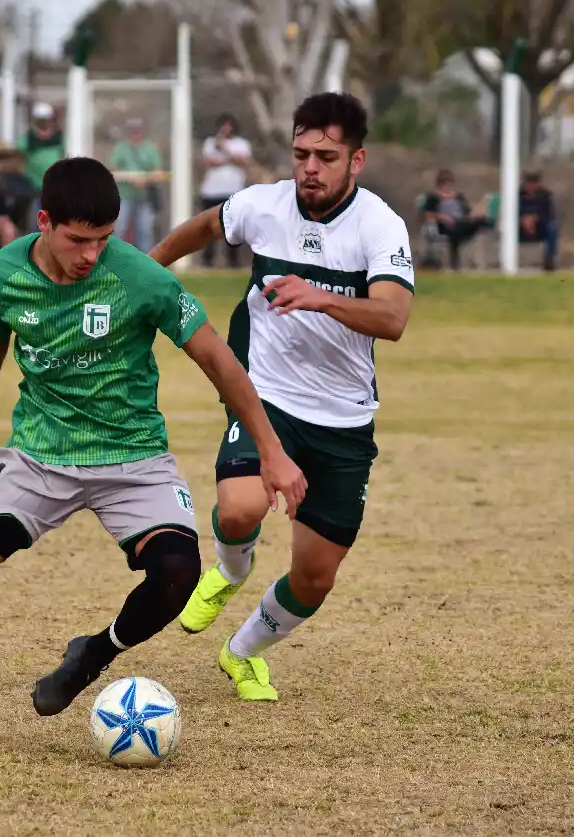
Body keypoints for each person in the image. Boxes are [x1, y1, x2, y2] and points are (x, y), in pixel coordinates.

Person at [0, 156, 306, 752]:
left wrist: (271, 452)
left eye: (103, 240)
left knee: (177, 573)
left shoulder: (142, 279)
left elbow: (220, 363)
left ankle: (93, 655)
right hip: (39, 455)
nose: (90, 255)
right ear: (44, 222)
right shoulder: (0, 273)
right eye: (78, 240)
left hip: (133, 458)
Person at [149, 92, 415, 701]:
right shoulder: (262, 205)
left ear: (357, 160)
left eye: (326, 156)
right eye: (301, 153)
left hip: (343, 417)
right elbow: (203, 226)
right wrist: (145, 271)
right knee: (241, 508)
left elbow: (394, 318)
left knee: (315, 576)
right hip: (263, 391)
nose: (310, 168)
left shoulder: (379, 224)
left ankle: (241, 653)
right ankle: (231, 569)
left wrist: (321, 297)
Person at [199, 113, 253, 267]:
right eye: (223, 125)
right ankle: (207, 261)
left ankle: (233, 262)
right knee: (209, 228)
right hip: (211, 192)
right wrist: (230, 159)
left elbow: (243, 161)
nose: (226, 129)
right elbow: (209, 161)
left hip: (233, 192)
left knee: (232, 229)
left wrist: (225, 151)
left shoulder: (241, 144)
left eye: (229, 125)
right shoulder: (210, 142)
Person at [110, 119, 166, 253]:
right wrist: (131, 178)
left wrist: (146, 179)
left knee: (145, 230)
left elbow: (157, 170)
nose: (135, 134)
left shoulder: (150, 148)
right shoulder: (121, 148)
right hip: (124, 196)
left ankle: (145, 261)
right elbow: (113, 168)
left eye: (138, 130)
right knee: (120, 228)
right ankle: (115, 258)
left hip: (145, 197)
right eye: (132, 131)